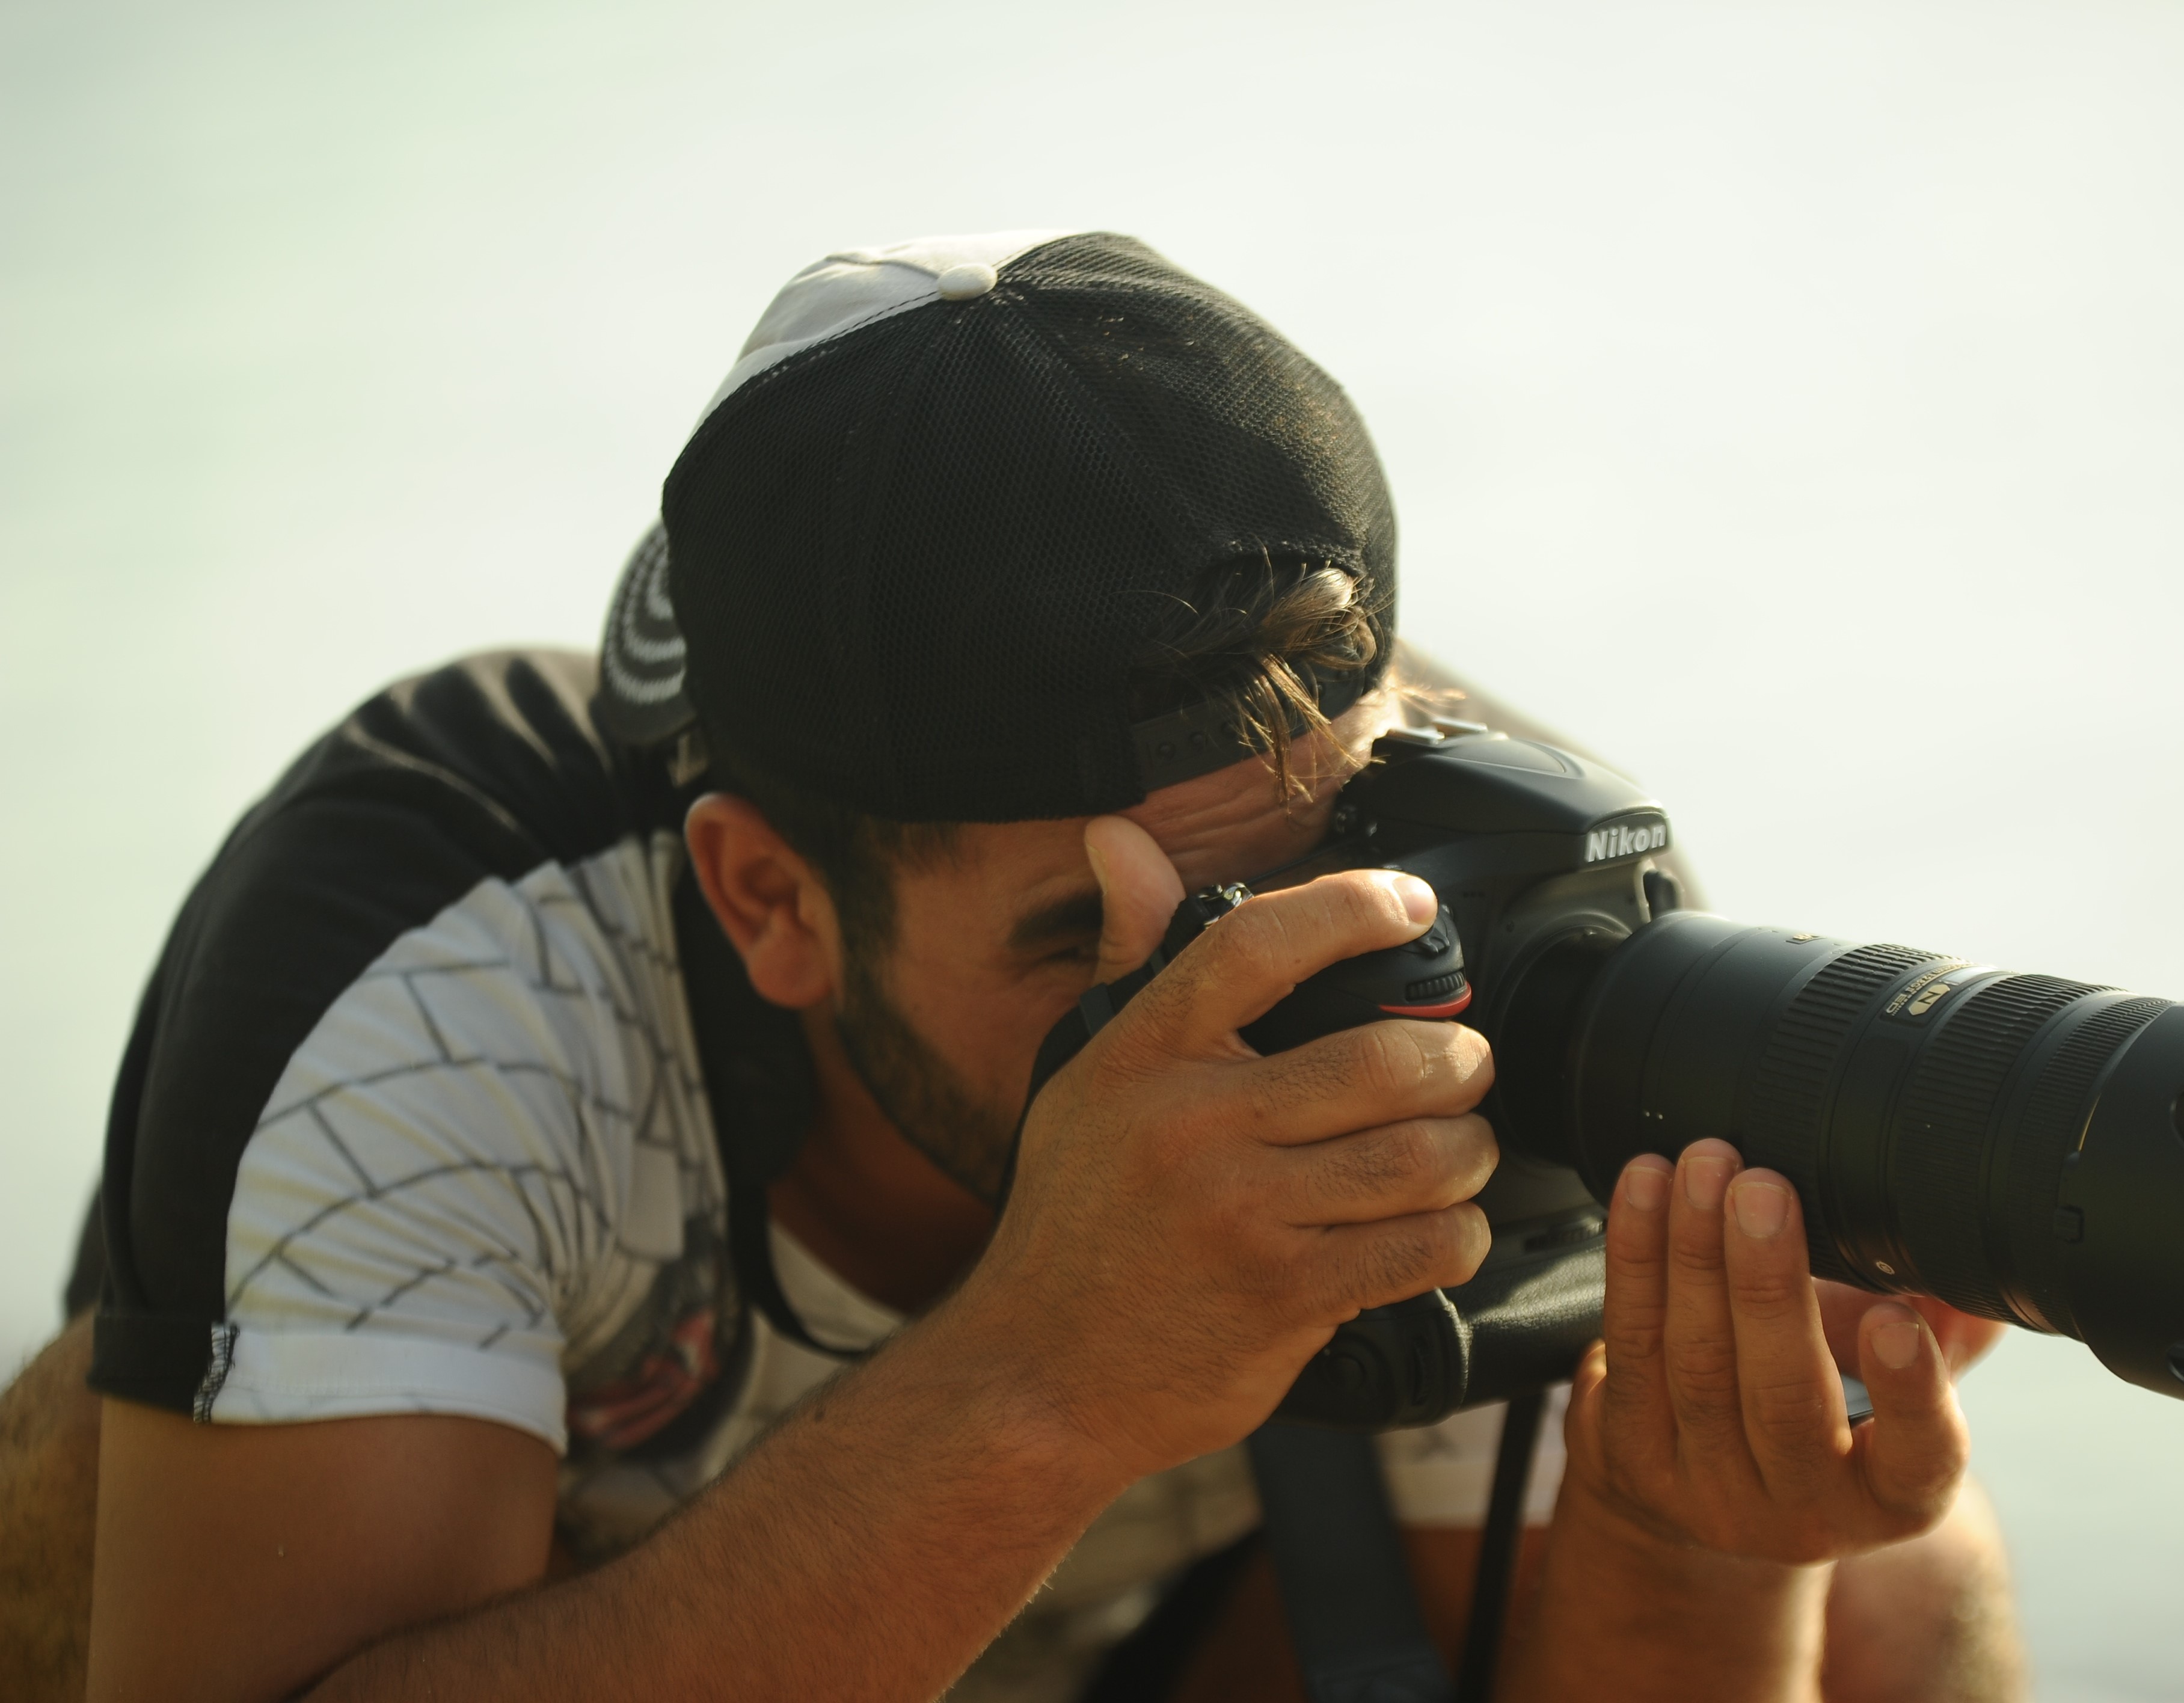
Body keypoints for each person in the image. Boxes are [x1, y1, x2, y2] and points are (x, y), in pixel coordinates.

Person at [1, 230, 2025, 1702]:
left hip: (1185, 1628)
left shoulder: (1476, 899)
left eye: (1291, 893)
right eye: (1082, 939)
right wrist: (1051, 1373)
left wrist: (1687, 1535)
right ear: (768, 900)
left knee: (1884, 1571)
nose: (1223, 1013)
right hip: (563, 1594)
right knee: (100, 1473)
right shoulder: (461, 968)